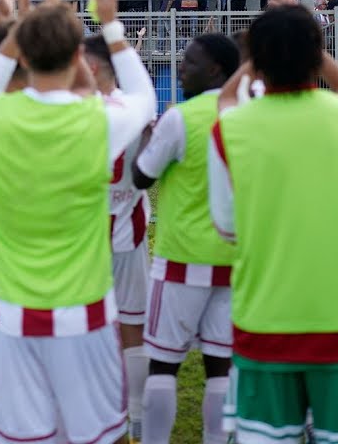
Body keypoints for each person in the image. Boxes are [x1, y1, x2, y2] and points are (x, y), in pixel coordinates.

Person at [0, 0, 157, 444]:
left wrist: (11, 24)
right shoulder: (99, 119)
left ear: (21, 52)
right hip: (85, 316)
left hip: (11, 316)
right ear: (79, 56)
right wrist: (109, 24)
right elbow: (143, 96)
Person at [209, 0, 338, 444]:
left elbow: (226, 227)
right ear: (316, 56)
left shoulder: (229, 127)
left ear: (255, 61)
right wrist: (301, 32)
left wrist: (265, 48)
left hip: (264, 320)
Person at [130, 33, 240, 444]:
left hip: (182, 257)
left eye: (189, 61)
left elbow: (142, 176)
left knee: (163, 364)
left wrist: (147, 136)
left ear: (215, 70)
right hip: (232, 256)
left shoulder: (181, 117)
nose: (180, 67)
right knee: (220, 365)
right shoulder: (245, 114)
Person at [81, 34, 154, 442]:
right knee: (133, 329)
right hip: (129, 229)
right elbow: (151, 164)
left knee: (87, 328)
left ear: (92, 67)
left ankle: (98, 417)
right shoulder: (137, 109)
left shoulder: (71, 111)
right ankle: (138, 423)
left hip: (85, 235)